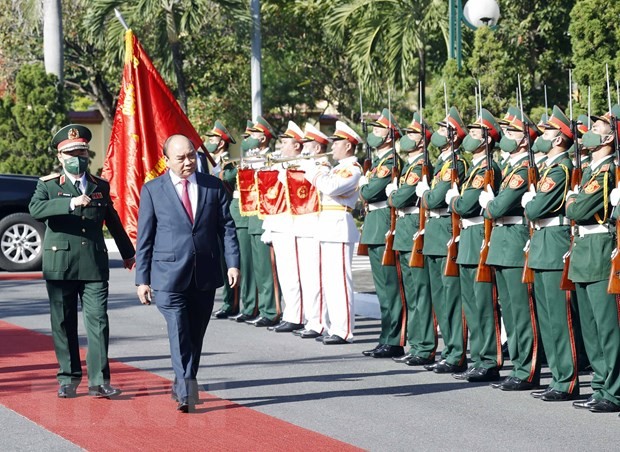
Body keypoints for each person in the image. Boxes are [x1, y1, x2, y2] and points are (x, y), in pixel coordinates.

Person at [29, 124, 135, 399]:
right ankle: (68, 377)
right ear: (60, 157)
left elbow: (112, 220)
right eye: (72, 153)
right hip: (60, 263)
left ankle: (99, 380)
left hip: (93, 264)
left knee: (98, 322)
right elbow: (36, 209)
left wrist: (128, 252)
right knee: (63, 323)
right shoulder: (49, 185)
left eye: (82, 152)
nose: (78, 157)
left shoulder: (100, 185)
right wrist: (70, 203)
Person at [135, 134, 240, 413]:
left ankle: (183, 380)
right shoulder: (153, 190)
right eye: (180, 157)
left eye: (191, 155)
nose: (188, 162)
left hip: (204, 274)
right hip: (168, 276)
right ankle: (186, 390)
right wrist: (142, 279)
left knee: (195, 335)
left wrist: (232, 263)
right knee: (179, 330)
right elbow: (144, 238)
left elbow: (226, 228)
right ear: (166, 160)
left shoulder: (213, 186)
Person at [479, 109, 542, 391]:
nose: (506, 136)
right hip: (502, 242)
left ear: (525, 140)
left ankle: (527, 370)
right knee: (509, 310)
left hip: (514, 239)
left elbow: (499, 208)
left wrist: (489, 205)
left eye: (513, 132)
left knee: (521, 310)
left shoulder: (521, 171)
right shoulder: (510, 169)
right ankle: (517, 365)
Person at [522, 106, 579, 401]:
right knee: (547, 318)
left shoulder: (561, 169)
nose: (541, 135)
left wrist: (532, 201)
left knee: (560, 318)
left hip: (555, 242)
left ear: (559, 139)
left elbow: (533, 209)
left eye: (547, 131)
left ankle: (567, 380)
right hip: (543, 243)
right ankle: (557, 377)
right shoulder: (548, 169)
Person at [446, 109, 503, 382]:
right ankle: (479, 358)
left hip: (480, 234)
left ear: (488, 140)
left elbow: (467, 204)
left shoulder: (487, 168)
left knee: (483, 303)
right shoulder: (475, 169)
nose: (469, 137)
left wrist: (453, 201)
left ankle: (489, 360)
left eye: (476, 132)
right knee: (471, 304)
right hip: (468, 238)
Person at [569, 107, 620, 413]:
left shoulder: (606, 172)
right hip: (584, 249)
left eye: (597, 127)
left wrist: (574, 201)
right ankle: (600, 386)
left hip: (601, 248)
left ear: (610, 136)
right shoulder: (589, 170)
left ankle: (613, 391)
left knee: (607, 327)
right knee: (590, 327)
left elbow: (574, 211)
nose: (588, 130)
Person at [416, 106, 468, 374]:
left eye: (441, 130)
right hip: (435, 233)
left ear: (453, 136)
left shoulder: (456, 163)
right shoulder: (440, 163)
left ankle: (457, 352)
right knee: (439, 298)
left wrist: (424, 194)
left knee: (451, 298)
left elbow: (435, 199)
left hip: (446, 231)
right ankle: (448, 349)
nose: (435, 134)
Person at [300, 120, 362, 344]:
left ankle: (344, 330)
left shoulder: (353, 169)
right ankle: (332, 326)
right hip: (327, 224)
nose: (332, 146)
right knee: (330, 281)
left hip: (339, 224)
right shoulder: (336, 168)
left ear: (348, 145)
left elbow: (330, 187)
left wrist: (314, 170)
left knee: (341, 282)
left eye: (337, 142)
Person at [385, 113, 438, 365]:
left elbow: (399, 199)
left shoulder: (419, 167)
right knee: (412, 293)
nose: (405, 138)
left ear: (421, 141)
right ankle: (416, 344)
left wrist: (394, 194)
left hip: (415, 232)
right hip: (405, 232)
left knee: (421, 293)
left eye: (411, 134)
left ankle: (425, 345)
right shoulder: (408, 166)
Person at [359, 108, 406, 358]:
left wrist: (364, 185)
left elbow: (368, 193)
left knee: (390, 287)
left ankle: (395, 339)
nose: (373, 134)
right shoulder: (378, 163)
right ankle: (386, 336)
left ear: (389, 135)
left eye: (378, 129)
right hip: (375, 224)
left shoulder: (391, 163)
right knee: (382, 289)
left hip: (385, 225)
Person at [291, 123, 332, 339]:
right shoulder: (309, 164)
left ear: (316, 148)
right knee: (307, 277)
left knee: (316, 278)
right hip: (305, 225)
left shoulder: (321, 166)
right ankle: (312, 319)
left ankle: (319, 322)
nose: (302, 147)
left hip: (316, 224)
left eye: (307, 144)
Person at [245, 116, 282, 327]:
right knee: (259, 268)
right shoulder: (251, 157)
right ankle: (263, 308)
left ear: (264, 138)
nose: (250, 138)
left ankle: (272, 310)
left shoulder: (272, 158)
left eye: (255, 135)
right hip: (253, 216)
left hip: (266, 217)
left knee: (269, 271)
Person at [204, 120, 242, 320]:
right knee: (217, 262)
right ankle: (226, 300)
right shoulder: (206, 161)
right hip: (208, 218)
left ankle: (231, 303)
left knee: (229, 261)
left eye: (212, 139)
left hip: (225, 215)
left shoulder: (230, 164)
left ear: (221, 143)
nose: (208, 142)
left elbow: (224, 180)